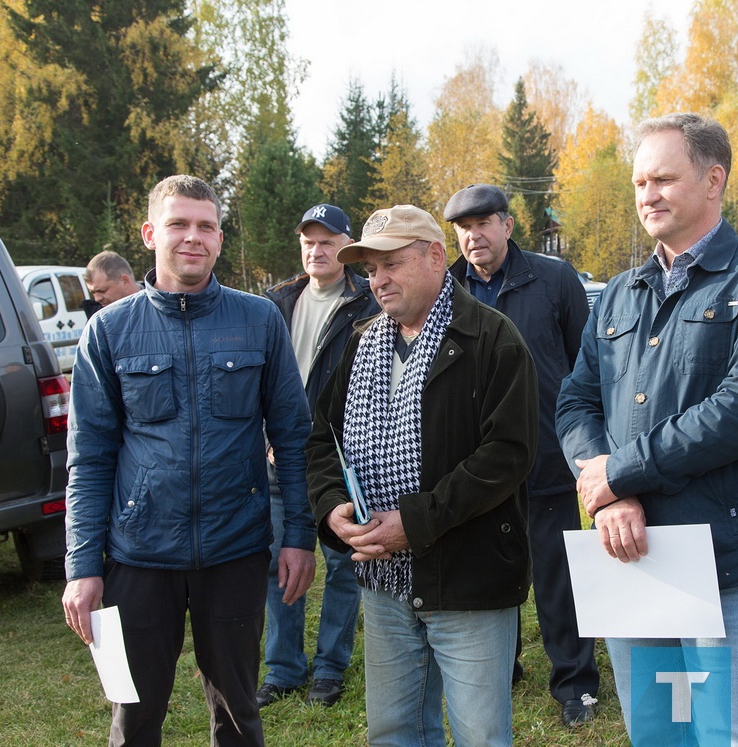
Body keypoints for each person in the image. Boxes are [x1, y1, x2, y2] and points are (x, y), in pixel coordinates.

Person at [556, 113, 738, 746]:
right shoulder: (618, 294)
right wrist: (611, 488)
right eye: (640, 182)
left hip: (717, 558)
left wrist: (622, 472)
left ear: (713, 179)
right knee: (658, 733)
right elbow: (574, 402)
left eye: (664, 179)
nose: (647, 195)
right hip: (626, 552)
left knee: (731, 734)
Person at [61, 175, 316, 746]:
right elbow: (90, 457)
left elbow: (294, 438)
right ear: (151, 233)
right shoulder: (109, 330)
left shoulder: (259, 321)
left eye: (205, 226)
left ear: (220, 239)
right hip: (138, 557)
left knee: (239, 719)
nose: (192, 238)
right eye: (178, 224)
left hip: (235, 552)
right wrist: (83, 567)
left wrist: (298, 535)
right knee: (132, 718)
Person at [307, 204, 538, 746]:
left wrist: (415, 522)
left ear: (436, 257)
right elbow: (323, 437)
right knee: (394, 731)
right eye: (370, 269)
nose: (379, 280)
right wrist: (331, 504)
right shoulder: (362, 342)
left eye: (391, 263)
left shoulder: (492, 339)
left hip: (469, 579)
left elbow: (508, 454)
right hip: (384, 583)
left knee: (481, 735)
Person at [444, 184, 599, 727]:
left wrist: (586, 444)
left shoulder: (554, 279)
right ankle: (499, 667)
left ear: (508, 225)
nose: (473, 235)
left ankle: (576, 684)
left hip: (547, 456)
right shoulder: (448, 289)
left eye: (483, 222)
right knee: (487, 574)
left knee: (559, 577)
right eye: (463, 227)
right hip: (477, 467)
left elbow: (587, 364)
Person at [257, 204, 379, 708]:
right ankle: (283, 669)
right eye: (309, 240)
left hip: (340, 460)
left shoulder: (368, 303)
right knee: (279, 564)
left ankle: (330, 667)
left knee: (342, 564)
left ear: (346, 247)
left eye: (327, 240)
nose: (317, 249)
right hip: (279, 458)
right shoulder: (275, 303)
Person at [83, 250, 141, 316]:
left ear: (125, 281)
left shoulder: (153, 306)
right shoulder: (98, 319)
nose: (97, 299)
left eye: (102, 291)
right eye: (93, 292)